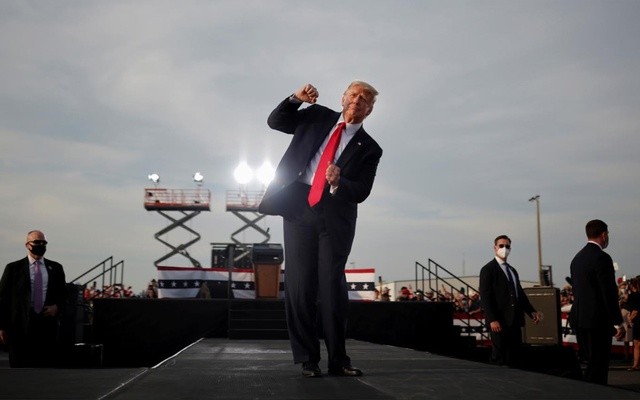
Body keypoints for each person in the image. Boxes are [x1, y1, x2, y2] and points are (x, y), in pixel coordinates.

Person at [259, 81, 382, 377]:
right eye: (353, 95)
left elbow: (362, 190)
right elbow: (277, 122)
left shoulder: (371, 148)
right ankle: (307, 359)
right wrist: (294, 99)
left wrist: (340, 182)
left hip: (335, 215)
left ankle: (338, 359)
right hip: (299, 207)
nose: (357, 101)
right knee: (300, 286)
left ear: (369, 110)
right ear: (343, 98)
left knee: (331, 287)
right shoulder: (316, 116)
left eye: (364, 99)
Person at [569, 219, 625, 385]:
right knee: (599, 366)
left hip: (580, 319)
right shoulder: (602, 258)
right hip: (598, 321)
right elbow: (607, 293)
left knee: (590, 363)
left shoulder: (576, 259)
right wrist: (617, 322)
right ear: (604, 234)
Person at [0, 230, 67, 367]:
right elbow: (3, 298)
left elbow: (64, 295)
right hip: (20, 326)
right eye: (37, 242)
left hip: (46, 325)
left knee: (44, 369)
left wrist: (57, 307)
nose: (41, 245)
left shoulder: (56, 268)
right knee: (20, 369)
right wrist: (2, 326)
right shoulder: (13, 269)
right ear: (27, 245)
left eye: (44, 242)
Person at [479, 234, 540, 366]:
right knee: (499, 355)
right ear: (495, 248)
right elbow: (485, 296)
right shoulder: (488, 270)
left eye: (507, 246)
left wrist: (531, 311)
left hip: (515, 320)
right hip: (499, 320)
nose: (504, 248)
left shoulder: (512, 270)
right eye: (501, 246)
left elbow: (519, 293)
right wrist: (492, 319)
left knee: (515, 355)